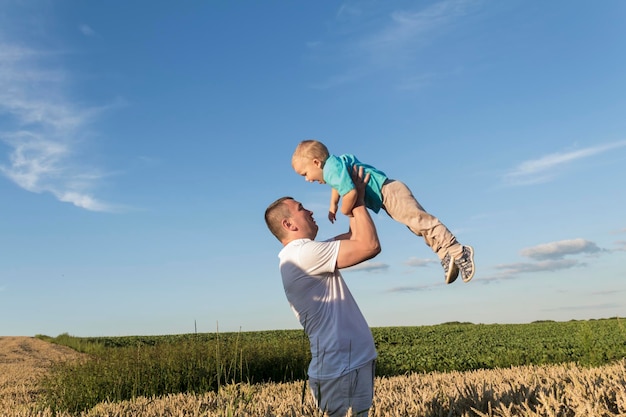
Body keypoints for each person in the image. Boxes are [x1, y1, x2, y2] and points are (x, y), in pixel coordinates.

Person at [264, 166, 381, 417]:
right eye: (301, 209)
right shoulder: (302, 254)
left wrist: (349, 195)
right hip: (341, 368)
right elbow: (369, 245)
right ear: (288, 224)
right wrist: (357, 199)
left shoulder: (307, 252)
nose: (309, 210)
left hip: (350, 363)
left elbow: (355, 234)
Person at [291, 139, 475, 284]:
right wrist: (333, 205)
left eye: (305, 174)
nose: (307, 180)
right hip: (388, 194)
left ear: (316, 163)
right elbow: (337, 186)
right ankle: (445, 255)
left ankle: (459, 251)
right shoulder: (333, 167)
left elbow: (351, 192)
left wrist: (346, 211)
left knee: (422, 222)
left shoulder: (331, 168)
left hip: (389, 191)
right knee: (417, 227)